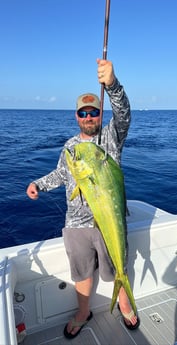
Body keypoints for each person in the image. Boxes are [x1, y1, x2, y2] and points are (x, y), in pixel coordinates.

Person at [26, 58, 140, 339]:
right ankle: (83, 313)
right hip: (77, 224)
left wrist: (112, 84)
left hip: (108, 223)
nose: (89, 117)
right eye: (83, 113)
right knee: (82, 275)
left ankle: (124, 303)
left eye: (94, 112)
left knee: (118, 268)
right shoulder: (70, 147)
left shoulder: (111, 136)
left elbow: (124, 113)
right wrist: (38, 185)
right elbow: (61, 175)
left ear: (100, 114)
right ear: (76, 116)